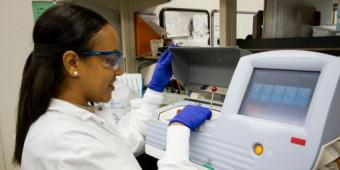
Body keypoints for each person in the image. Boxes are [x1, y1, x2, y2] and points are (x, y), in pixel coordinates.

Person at [13, 4, 211, 170]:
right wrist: (178, 132)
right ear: (73, 63)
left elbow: (124, 143)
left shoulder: (76, 118)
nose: (119, 71)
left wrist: (153, 91)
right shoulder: (63, 143)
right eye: (110, 60)